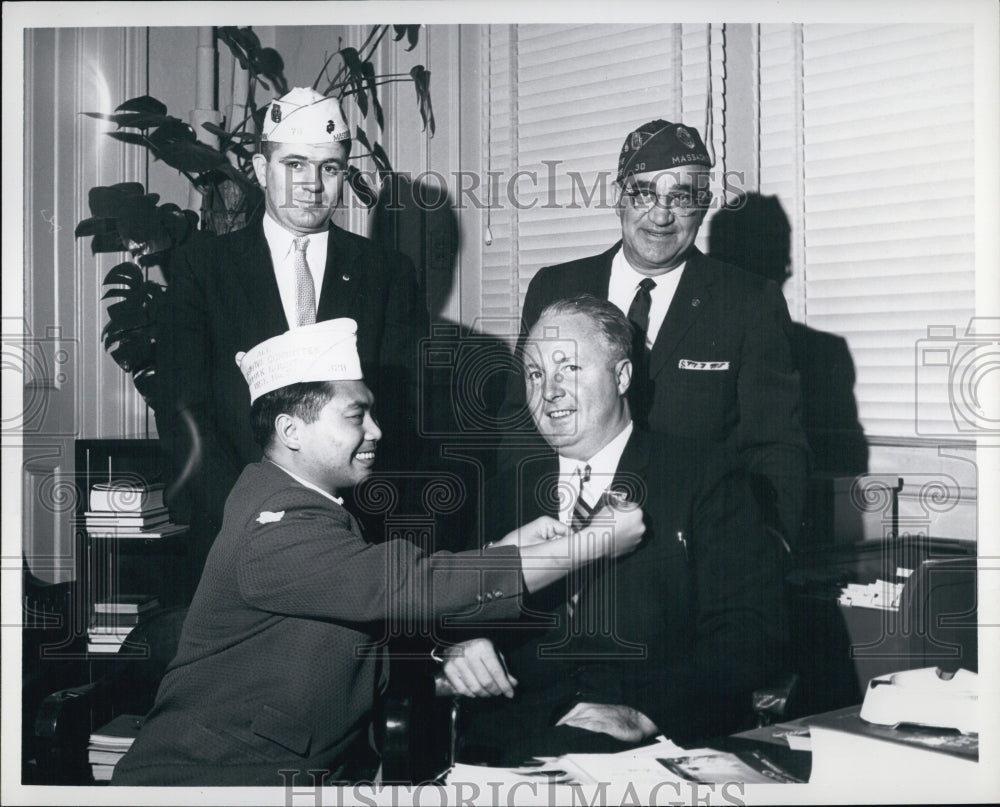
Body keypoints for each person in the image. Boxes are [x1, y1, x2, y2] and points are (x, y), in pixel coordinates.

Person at [112, 318, 644, 786]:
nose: (377, 431)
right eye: (355, 416)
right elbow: (411, 585)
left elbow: (363, 631)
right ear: (291, 430)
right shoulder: (274, 526)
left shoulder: (308, 507)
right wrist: (589, 544)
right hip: (219, 781)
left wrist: (495, 557)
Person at [443, 296, 787, 765]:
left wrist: (645, 712)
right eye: (536, 374)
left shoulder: (702, 476)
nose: (550, 392)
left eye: (570, 369)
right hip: (509, 746)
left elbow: (751, 630)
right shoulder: (505, 491)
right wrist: (459, 646)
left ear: (622, 376)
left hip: (651, 744)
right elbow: (448, 606)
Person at [155, 87, 428, 595]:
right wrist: (245, 510)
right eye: (295, 165)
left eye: (330, 168)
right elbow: (182, 408)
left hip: (355, 538)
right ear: (261, 170)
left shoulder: (387, 272)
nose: (311, 185)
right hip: (233, 533)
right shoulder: (202, 268)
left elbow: (402, 410)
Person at [499, 119, 809, 549]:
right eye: (644, 193)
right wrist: (533, 539)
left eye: (681, 197)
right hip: (561, 542)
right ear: (618, 197)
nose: (661, 216)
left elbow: (775, 448)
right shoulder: (556, 288)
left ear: (704, 205)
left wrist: (766, 550)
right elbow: (520, 421)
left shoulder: (749, 303)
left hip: (693, 551)